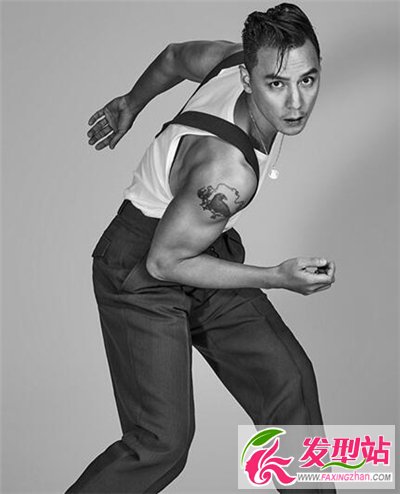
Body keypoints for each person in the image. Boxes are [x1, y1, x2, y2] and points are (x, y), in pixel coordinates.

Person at [66, 3, 336, 493]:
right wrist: (277, 277)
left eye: (308, 80)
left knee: (288, 379)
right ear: (249, 78)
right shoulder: (227, 174)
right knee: (161, 443)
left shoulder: (229, 58)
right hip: (141, 272)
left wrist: (131, 102)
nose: (295, 102)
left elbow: (173, 57)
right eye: (277, 84)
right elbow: (164, 262)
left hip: (198, 243)